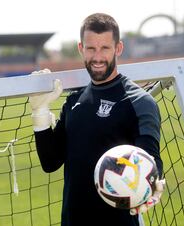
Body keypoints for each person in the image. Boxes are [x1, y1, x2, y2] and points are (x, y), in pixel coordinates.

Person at [29, 13, 165, 226]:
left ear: (118, 49)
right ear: (81, 48)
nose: (98, 57)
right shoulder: (74, 100)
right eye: (91, 48)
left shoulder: (139, 101)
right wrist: (40, 113)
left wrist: (155, 181)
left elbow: (150, 156)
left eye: (105, 48)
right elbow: (50, 162)